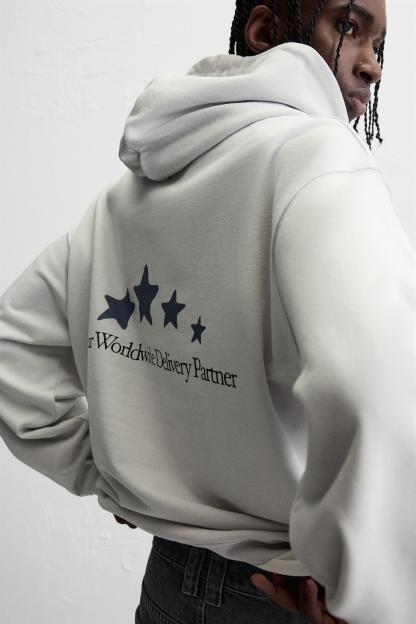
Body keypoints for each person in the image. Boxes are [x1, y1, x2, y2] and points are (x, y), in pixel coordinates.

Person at [3, 0, 416, 622]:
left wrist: (124, 476)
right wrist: (366, 590)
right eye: (349, 27)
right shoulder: (323, 162)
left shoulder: (129, 194)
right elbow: (379, 382)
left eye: (378, 46)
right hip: (287, 591)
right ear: (265, 30)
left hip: (169, 585)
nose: (372, 66)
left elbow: (12, 352)